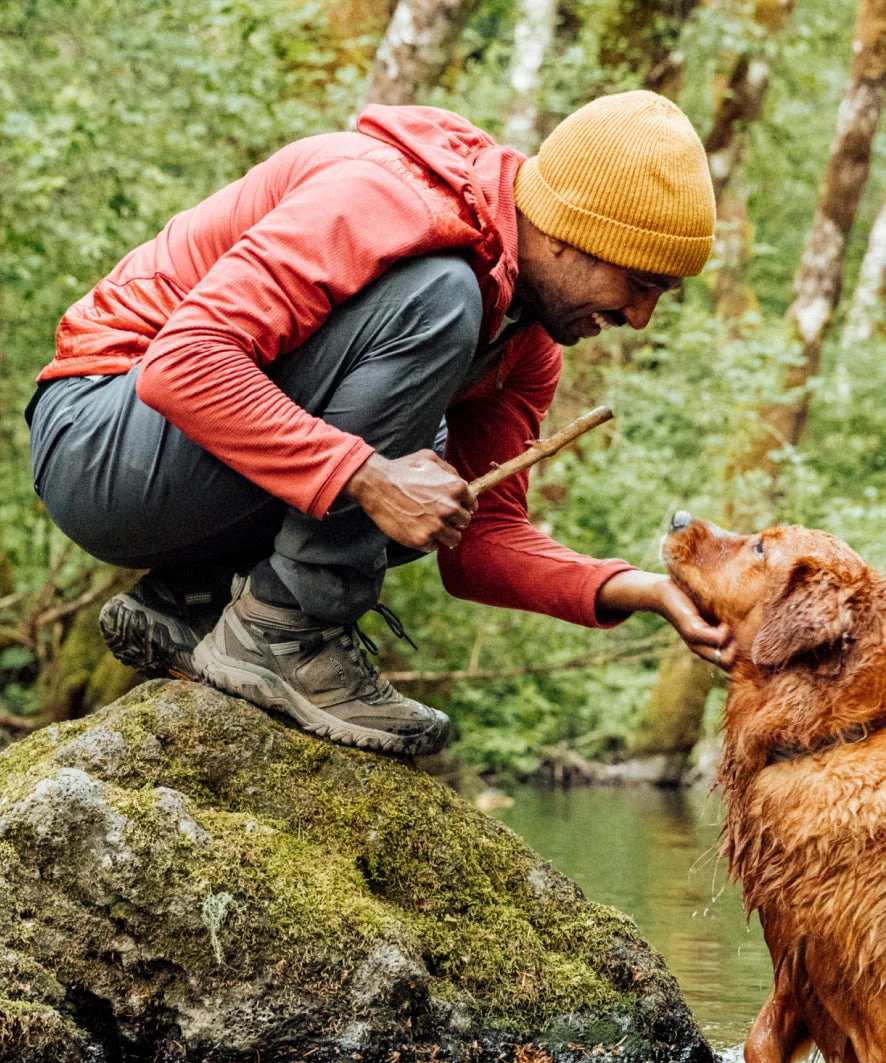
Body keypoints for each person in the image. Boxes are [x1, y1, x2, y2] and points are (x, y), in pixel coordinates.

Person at [27, 89, 730, 759]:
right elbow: (182, 365)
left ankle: (196, 602)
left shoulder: (528, 340)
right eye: (640, 285)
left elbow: (481, 535)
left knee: (445, 478)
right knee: (438, 309)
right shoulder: (389, 201)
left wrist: (646, 590)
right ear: (570, 234)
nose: (639, 318)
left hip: (179, 477)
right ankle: (284, 629)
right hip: (99, 437)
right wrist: (368, 476)